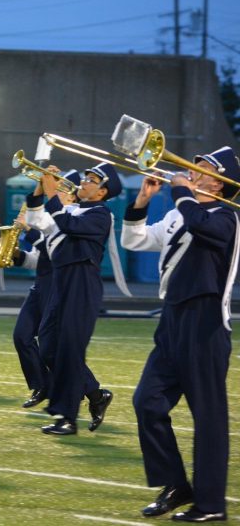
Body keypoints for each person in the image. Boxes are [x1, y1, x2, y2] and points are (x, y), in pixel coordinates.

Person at [122, 147, 239, 522]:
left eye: (199, 166)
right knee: (147, 402)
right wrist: (142, 201)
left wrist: (179, 191)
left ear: (217, 180)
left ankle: (211, 505)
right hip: (171, 319)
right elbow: (135, 240)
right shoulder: (179, 212)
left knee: (208, 417)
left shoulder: (228, 218)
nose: (189, 170)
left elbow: (201, 225)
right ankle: (175, 484)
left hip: (205, 323)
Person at [26, 162, 120, 435]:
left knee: (69, 349)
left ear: (102, 192)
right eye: (87, 177)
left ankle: (66, 417)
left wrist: (53, 193)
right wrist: (39, 187)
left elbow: (67, 225)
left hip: (82, 283)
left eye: (91, 180)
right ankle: (95, 394)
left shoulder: (102, 214)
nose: (84, 182)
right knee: (48, 346)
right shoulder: (71, 208)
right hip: (61, 281)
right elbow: (34, 220)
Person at [12, 170, 80, 409]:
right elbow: (38, 258)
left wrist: (28, 231)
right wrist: (17, 255)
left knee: (53, 345)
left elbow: (53, 250)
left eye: (62, 190)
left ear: (72, 198)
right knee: (22, 336)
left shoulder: (72, 218)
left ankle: (89, 389)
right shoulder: (52, 217)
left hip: (59, 283)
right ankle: (42, 384)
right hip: (41, 283)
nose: (56, 192)